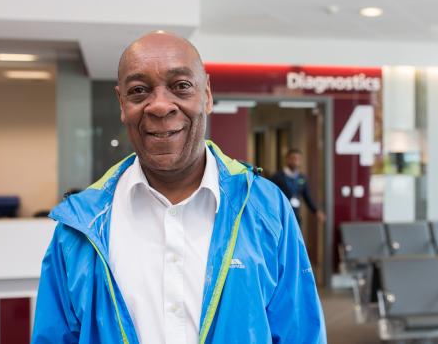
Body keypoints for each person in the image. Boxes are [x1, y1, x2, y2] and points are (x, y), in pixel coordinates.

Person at [32, 32, 326, 344]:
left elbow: (301, 334)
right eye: (139, 90)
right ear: (122, 103)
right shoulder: (80, 226)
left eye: (181, 86)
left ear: (207, 95)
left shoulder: (266, 208)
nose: (159, 106)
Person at [270, 149, 326, 225]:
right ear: (287, 159)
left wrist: (316, 211)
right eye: (293, 158)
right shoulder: (277, 177)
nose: (295, 161)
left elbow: (307, 197)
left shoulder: (301, 178)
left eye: (298, 159)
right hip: (280, 215)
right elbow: (270, 196)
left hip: (295, 216)